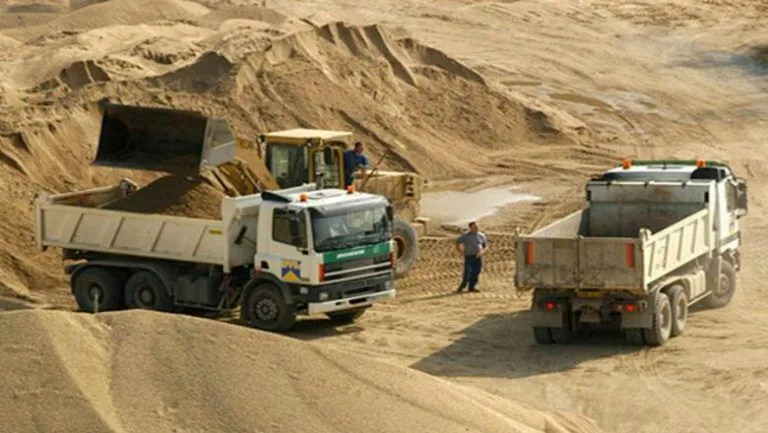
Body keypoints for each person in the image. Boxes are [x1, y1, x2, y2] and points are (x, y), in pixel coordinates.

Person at [455, 221, 488, 293]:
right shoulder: (466, 236)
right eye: (474, 227)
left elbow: (485, 245)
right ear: (470, 228)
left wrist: (482, 252)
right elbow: (457, 242)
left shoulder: (481, 235)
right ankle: (462, 286)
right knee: (468, 272)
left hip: (478, 256)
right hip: (469, 256)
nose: (476, 228)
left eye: (477, 227)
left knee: (476, 271)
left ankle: (472, 286)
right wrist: (461, 252)